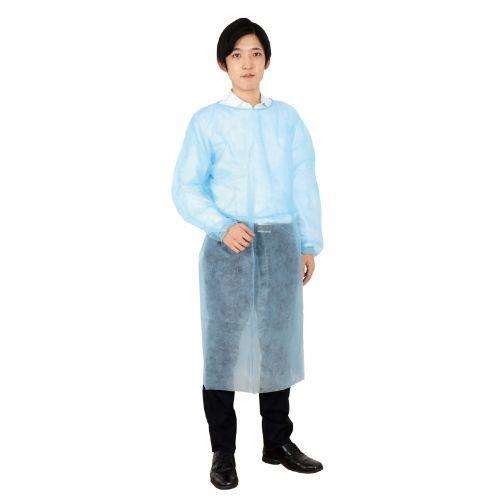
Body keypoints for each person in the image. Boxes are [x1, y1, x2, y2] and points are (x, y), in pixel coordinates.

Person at [171, 17, 324, 489]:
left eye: (255, 53)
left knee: (277, 345)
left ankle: (277, 442)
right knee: (223, 350)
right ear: (224, 63)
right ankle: (223, 452)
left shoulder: (287, 119)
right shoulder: (208, 121)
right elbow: (186, 187)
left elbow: (303, 181)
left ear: (267, 60)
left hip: (280, 243)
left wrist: (308, 243)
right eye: (237, 54)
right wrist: (221, 225)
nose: (247, 62)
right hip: (228, 248)